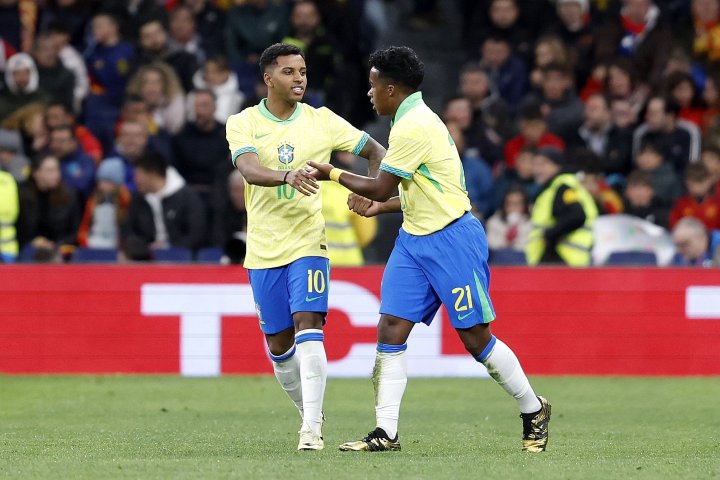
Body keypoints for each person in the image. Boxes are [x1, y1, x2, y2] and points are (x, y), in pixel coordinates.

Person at [307, 46, 550, 453]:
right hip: (414, 240)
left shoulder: (415, 125)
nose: (369, 94)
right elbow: (416, 191)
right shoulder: (407, 119)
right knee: (390, 328)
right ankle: (386, 433)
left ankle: (533, 409)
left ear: (391, 88)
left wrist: (331, 171)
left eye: (372, 86)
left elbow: (382, 183)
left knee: (475, 339)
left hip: (452, 239)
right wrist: (382, 207)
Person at [225, 43, 386, 451]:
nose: (299, 79)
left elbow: (376, 152)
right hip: (263, 249)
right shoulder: (242, 123)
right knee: (279, 346)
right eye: (289, 72)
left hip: (307, 243)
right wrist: (287, 176)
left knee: (309, 327)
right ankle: (309, 413)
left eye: (303, 71)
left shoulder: (323, 121)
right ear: (268, 78)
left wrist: (373, 193)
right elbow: (247, 168)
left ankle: (311, 429)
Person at [525, 146, 599, 266]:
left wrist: (549, 235)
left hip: (562, 259)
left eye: (543, 164)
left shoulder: (563, 186)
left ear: (557, 165)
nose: (537, 169)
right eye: (535, 164)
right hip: (562, 260)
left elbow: (577, 215)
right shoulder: (553, 188)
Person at [122, 152, 206, 253]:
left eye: (138, 174)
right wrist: (146, 249)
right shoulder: (138, 198)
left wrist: (168, 249)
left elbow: (196, 234)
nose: (135, 179)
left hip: (182, 260)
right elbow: (128, 231)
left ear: (152, 173)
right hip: (144, 259)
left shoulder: (187, 197)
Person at [77, 158, 131, 249]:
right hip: (92, 242)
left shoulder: (125, 200)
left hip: (115, 244)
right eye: (101, 181)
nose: (103, 185)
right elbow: (85, 224)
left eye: (108, 182)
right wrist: (84, 241)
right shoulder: (92, 201)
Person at [669, 163, 720, 230]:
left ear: (709, 181)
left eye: (700, 184)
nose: (696, 188)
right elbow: (674, 225)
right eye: (691, 185)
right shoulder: (681, 203)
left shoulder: (717, 203)